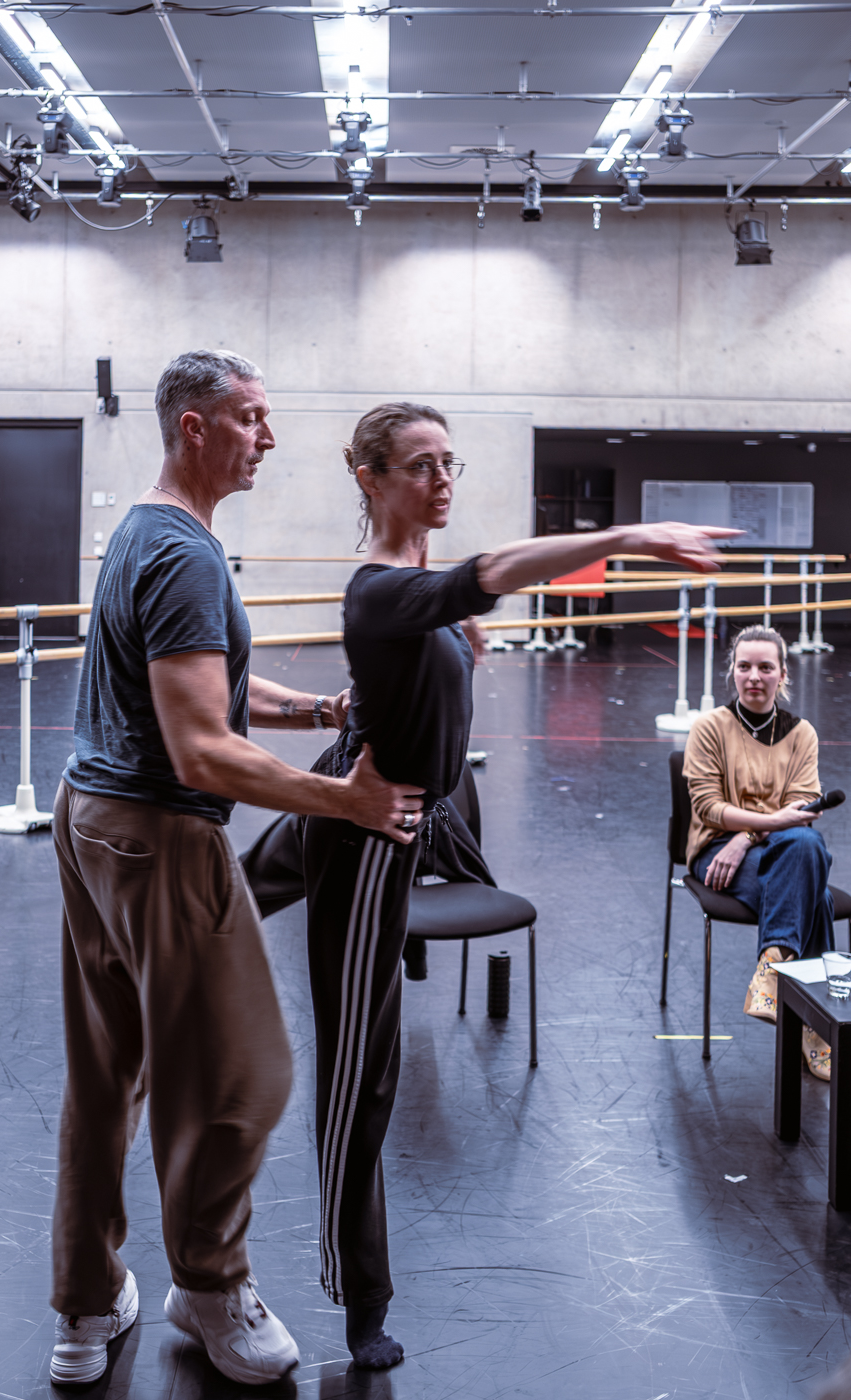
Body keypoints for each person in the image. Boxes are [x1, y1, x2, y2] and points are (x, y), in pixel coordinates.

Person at [296, 400, 734, 1370]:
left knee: (279, 940)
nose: (441, 479)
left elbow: (452, 609)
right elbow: (487, 571)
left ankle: (213, 908)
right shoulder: (380, 590)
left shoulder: (419, 597)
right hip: (367, 840)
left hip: (414, 824)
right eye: (420, 465)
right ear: (370, 478)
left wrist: (447, 641)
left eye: (449, 461)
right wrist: (625, 538)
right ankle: (359, 1294)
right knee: (360, 1074)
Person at [48, 352, 425, 1387]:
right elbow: (200, 753)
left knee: (105, 1076)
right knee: (244, 1077)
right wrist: (347, 798)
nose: (268, 436)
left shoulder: (145, 531)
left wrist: (313, 711)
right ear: (195, 426)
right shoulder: (184, 555)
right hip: (160, 840)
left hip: (90, 822)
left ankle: (85, 1303)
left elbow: (198, 686)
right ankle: (209, 1285)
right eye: (251, 418)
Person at [684, 624, 835, 1079]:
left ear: (782, 673)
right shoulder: (709, 727)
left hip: (773, 848)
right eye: (744, 666)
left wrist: (747, 835)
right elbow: (708, 807)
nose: (754, 676)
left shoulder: (801, 733)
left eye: (765, 667)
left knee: (804, 847)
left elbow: (802, 810)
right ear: (732, 671)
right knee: (814, 888)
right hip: (716, 853)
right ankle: (816, 1026)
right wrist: (757, 830)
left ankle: (773, 971)